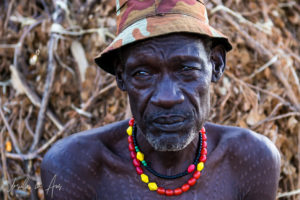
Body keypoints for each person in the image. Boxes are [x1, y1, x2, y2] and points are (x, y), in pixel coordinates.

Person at [41, 0, 281, 199]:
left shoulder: (251, 161)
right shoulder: (74, 168)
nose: (167, 97)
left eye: (186, 69)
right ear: (121, 77)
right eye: (143, 73)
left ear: (216, 65)